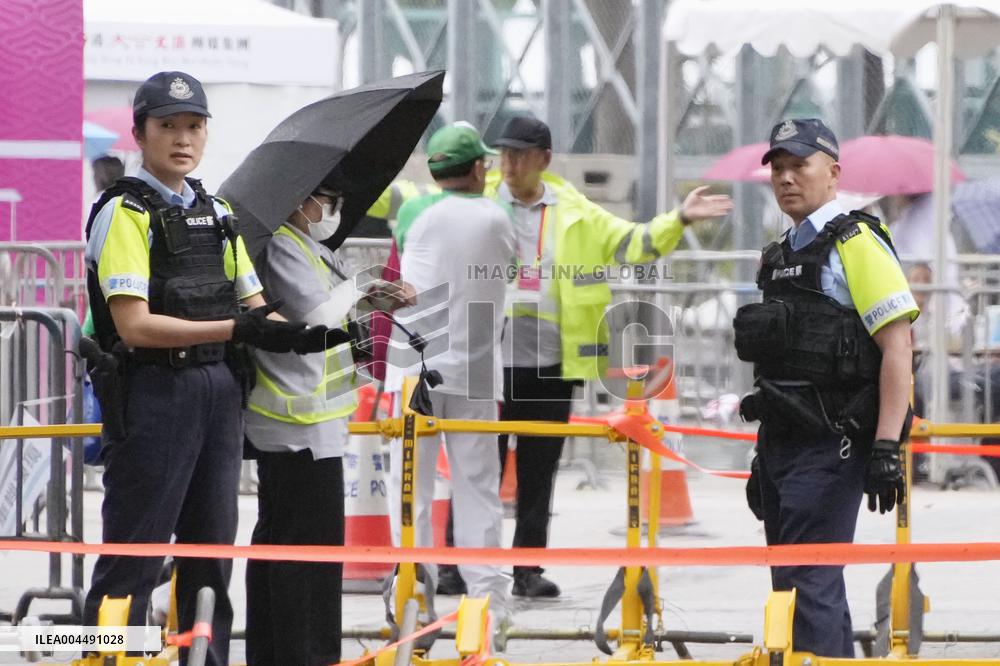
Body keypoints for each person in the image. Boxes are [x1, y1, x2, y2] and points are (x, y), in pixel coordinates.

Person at [82, 71, 335, 666]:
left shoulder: (216, 211)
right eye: (167, 126)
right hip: (152, 391)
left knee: (211, 553)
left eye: (194, 125)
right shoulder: (125, 213)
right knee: (133, 556)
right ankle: (102, 655)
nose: (182, 138)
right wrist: (236, 329)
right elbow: (134, 326)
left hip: (218, 390)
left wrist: (332, 325)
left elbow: (257, 308)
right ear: (140, 133)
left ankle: (208, 660)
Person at [487, 117, 732, 598]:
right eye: (504, 154)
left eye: (519, 154)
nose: (509, 164)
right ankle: (461, 563)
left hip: (552, 365)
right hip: (488, 360)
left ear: (544, 159)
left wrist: (678, 219)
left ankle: (526, 569)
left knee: (539, 470)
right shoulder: (481, 202)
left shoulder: (577, 214)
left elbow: (635, 245)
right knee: (479, 467)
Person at [735, 118, 918, 657]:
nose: (787, 177)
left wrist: (886, 448)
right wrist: (759, 459)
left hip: (833, 441)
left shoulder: (856, 242)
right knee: (787, 582)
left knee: (811, 583)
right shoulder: (779, 254)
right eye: (779, 167)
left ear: (833, 173)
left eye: (800, 165)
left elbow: (897, 348)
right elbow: (776, 364)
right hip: (782, 443)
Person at [243, 186, 412, 666]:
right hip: (293, 423)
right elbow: (318, 317)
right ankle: (301, 656)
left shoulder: (313, 248)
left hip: (318, 420)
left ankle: (285, 653)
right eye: (326, 198)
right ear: (297, 198)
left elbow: (340, 323)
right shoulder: (281, 246)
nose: (333, 209)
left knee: (299, 550)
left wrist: (378, 298)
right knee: (303, 557)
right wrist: (365, 285)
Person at [384, 122, 516, 642]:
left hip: (413, 367)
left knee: (410, 486)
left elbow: (408, 279)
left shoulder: (415, 212)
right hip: (477, 369)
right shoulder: (497, 218)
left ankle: (413, 598)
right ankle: (487, 608)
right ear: (478, 167)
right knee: (478, 486)